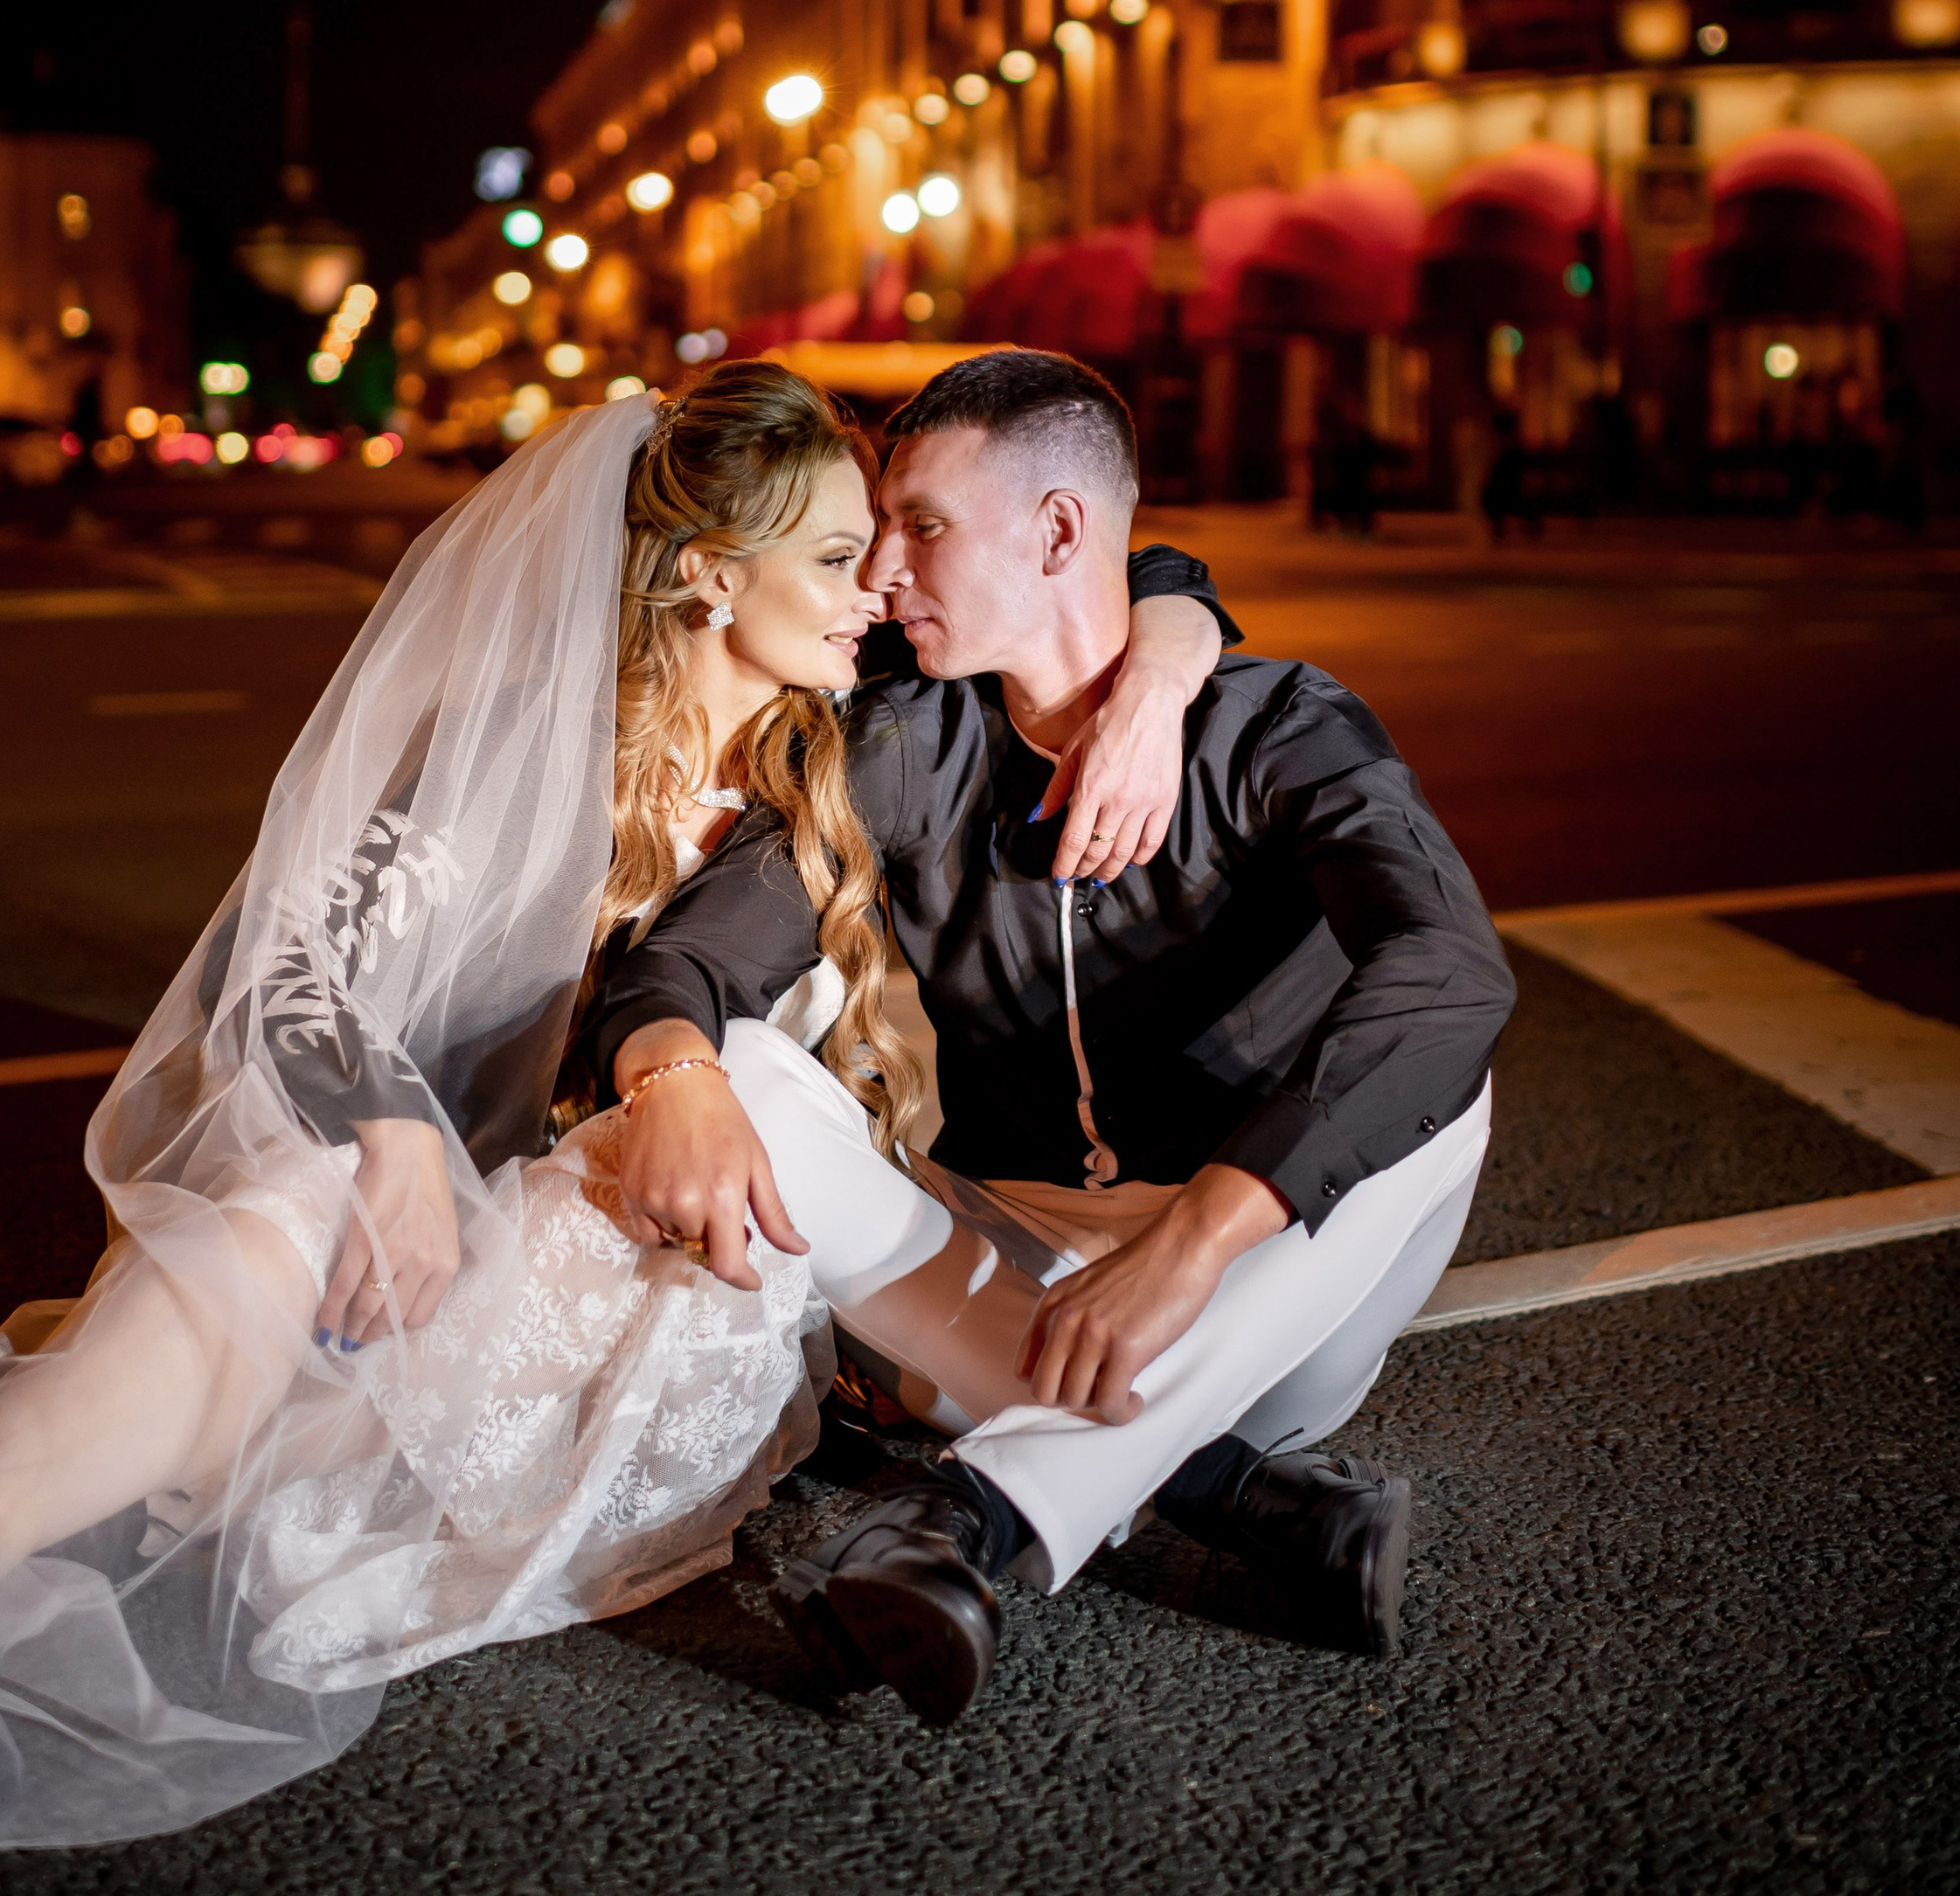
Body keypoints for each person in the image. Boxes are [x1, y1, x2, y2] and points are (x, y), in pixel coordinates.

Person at [0, 365, 1222, 1858]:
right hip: (422, 1244)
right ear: (710, 578)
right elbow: (288, 970)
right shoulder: (533, 744)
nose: (878, 590)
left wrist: (1161, 670)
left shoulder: (864, 737)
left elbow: (1125, 566)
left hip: (659, 1270)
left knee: (330, 1265)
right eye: (837, 556)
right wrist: (392, 1138)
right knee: (281, 1218)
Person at [591, 349, 1513, 1729]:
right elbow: (691, 959)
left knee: (1435, 1062)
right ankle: (1233, 1496)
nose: (883, 571)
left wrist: (1196, 1242)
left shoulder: (1279, 726)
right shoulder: (910, 737)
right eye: (878, 530)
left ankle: (977, 1514)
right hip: (1009, 1270)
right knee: (746, 1077)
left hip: (1261, 1286)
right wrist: (671, 1076)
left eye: (923, 526)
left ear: (1062, 530)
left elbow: (1450, 969)